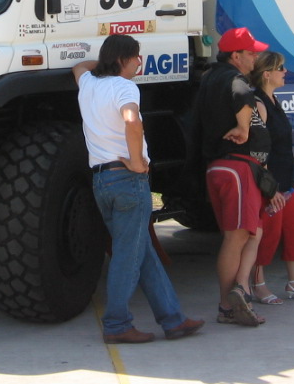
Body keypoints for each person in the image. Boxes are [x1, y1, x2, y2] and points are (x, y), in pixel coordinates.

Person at [73, 35, 204, 345]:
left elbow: (79, 66)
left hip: (101, 181)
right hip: (128, 181)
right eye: (136, 57)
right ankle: (117, 323)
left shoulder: (89, 84)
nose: (139, 63)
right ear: (123, 60)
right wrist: (136, 162)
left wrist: (102, 64)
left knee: (141, 252)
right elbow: (133, 122)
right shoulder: (124, 87)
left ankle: (173, 319)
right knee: (127, 256)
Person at [195, 26, 272, 327]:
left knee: (248, 233)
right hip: (237, 166)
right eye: (251, 53)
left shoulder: (209, 78)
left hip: (218, 166)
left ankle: (239, 292)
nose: (256, 58)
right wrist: (243, 128)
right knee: (236, 236)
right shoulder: (234, 79)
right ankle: (228, 305)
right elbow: (242, 96)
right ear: (236, 55)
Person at [249, 51, 294, 305]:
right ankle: (257, 284)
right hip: (271, 185)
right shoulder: (259, 103)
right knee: (268, 235)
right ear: (267, 74)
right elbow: (259, 149)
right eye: (281, 68)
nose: (285, 72)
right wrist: (270, 188)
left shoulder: (274, 100)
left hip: (287, 182)